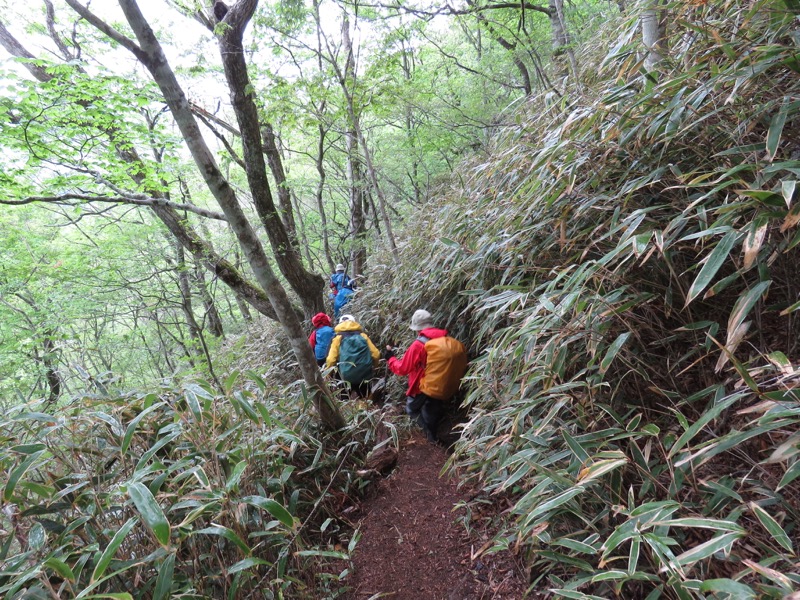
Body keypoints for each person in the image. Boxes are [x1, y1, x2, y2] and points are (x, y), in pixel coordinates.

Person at [384, 309, 467, 443]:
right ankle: (433, 437)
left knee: (412, 410)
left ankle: (428, 437)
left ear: (417, 328)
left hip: (421, 386)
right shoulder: (446, 339)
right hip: (440, 384)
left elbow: (403, 369)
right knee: (432, 412)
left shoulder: (419, 344)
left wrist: (390, 358)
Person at [326, 314, 380, 398]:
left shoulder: (338, 338)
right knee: (365, 398)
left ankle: (347, 408)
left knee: (344, 398)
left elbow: (331, 359)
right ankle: (366, 408)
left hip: (345, 375)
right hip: (363, 373)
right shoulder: (363, 336)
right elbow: (376, 354)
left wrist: (328, 374)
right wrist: (375, 366)